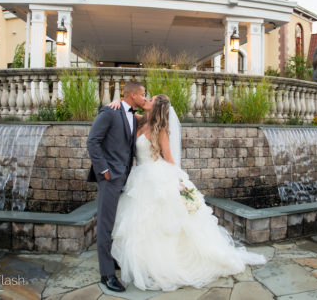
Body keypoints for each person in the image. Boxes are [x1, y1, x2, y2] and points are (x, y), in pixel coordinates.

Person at [109, 94, 266, 292]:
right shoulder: (140, 120)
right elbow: (124, 112)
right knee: (140, 222)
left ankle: (159, 263)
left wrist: (179, 183)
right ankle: (140, 260)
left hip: (156, 178)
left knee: (161, 223)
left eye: (152, 98)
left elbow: (170, 159)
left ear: (157, 107)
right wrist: (115, 102)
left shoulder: (161, 131)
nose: (147, 98)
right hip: (139, 178)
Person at [86, 80, 147, 293]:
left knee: (116, 220)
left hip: (126, 177)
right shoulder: (110, 112)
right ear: (132, 96)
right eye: (143, 95)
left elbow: (154, 115)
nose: (145, 98)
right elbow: (92, 141)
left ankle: (111, 259)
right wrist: (103, 171)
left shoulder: (131, 113)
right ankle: (106, 274)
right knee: (105, 223)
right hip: (110, 178)